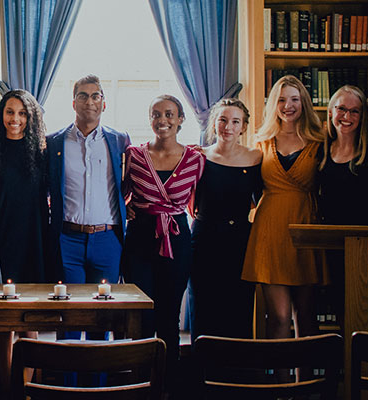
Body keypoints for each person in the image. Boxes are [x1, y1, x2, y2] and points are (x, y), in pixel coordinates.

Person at [121, 94, 205, 386]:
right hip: (141, 236)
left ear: (181, 119)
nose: (163, 120)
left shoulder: (196, 159)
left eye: (169, 114)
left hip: (177, 236)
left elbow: (203, 201)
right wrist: (128, 206)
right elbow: (119, 193)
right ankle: (139, 380)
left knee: (169, 313)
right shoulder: (133, 155)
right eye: (156, 114)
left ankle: (167, 383)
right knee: (141, 311)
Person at [242, 75, 326, 346]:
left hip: (307, 230)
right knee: (277, 317)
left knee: (307, 317)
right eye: (281, 100)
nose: (287, 106)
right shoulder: (262, 141)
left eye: (294, 99)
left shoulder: (320, 140)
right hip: (270, 233)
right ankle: (278, 388)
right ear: (273, 105)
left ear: (304, 102)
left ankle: (306, 385)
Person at [189, 98, 263, 341]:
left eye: (235, 122)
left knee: (238, 306)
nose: (228, 127)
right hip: (204, 238)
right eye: (222, 120)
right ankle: (202, 373)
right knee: (203, 303)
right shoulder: (199, 157)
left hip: (241, 240)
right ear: (213, 123)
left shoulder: (256, 158)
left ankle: (238, 373)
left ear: (243, 126)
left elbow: (265, 198)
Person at [46, 74, 130, 286]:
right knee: (71, 309)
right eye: (83, 96)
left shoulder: (119, 140)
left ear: (104, 104)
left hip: (107, 239)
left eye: (95, 96)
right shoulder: (54, 143)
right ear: (74, 103)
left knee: (105, 312)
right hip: (67, 239)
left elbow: (131, 181)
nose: (89, 102)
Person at [0, 89, 48, 283]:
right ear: (1, 114)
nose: (15, 118)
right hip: (1, 230)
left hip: (35, 231)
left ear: (31, 117)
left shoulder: (43, 151)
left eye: (22, 113)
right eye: (10, 112)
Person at [318, 85, 368, 226]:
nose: (347, 116)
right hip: (329, 237)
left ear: (362, 117)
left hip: (366, 238)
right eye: (341, 108)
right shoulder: (321, 150)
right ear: (330, 111)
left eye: (354, 111)